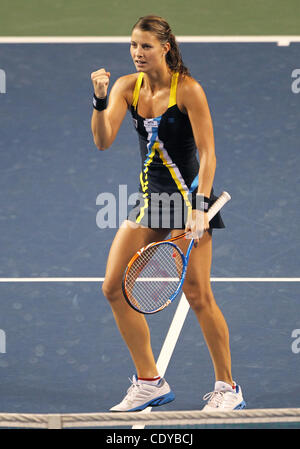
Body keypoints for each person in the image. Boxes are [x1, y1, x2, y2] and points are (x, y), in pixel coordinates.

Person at [91, 15, 245, 412]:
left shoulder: (188, 90)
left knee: (198, 295)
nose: (137, 53)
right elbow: (103, 141)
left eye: (145, 46)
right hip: (151, 201)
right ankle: (149, 382)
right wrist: (100, 99)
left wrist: (198, 207)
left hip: (190, 199)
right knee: (112, 287)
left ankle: (228, 387)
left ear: (165, 48)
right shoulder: (127, 86)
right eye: (133, 46)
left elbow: (208, 152)